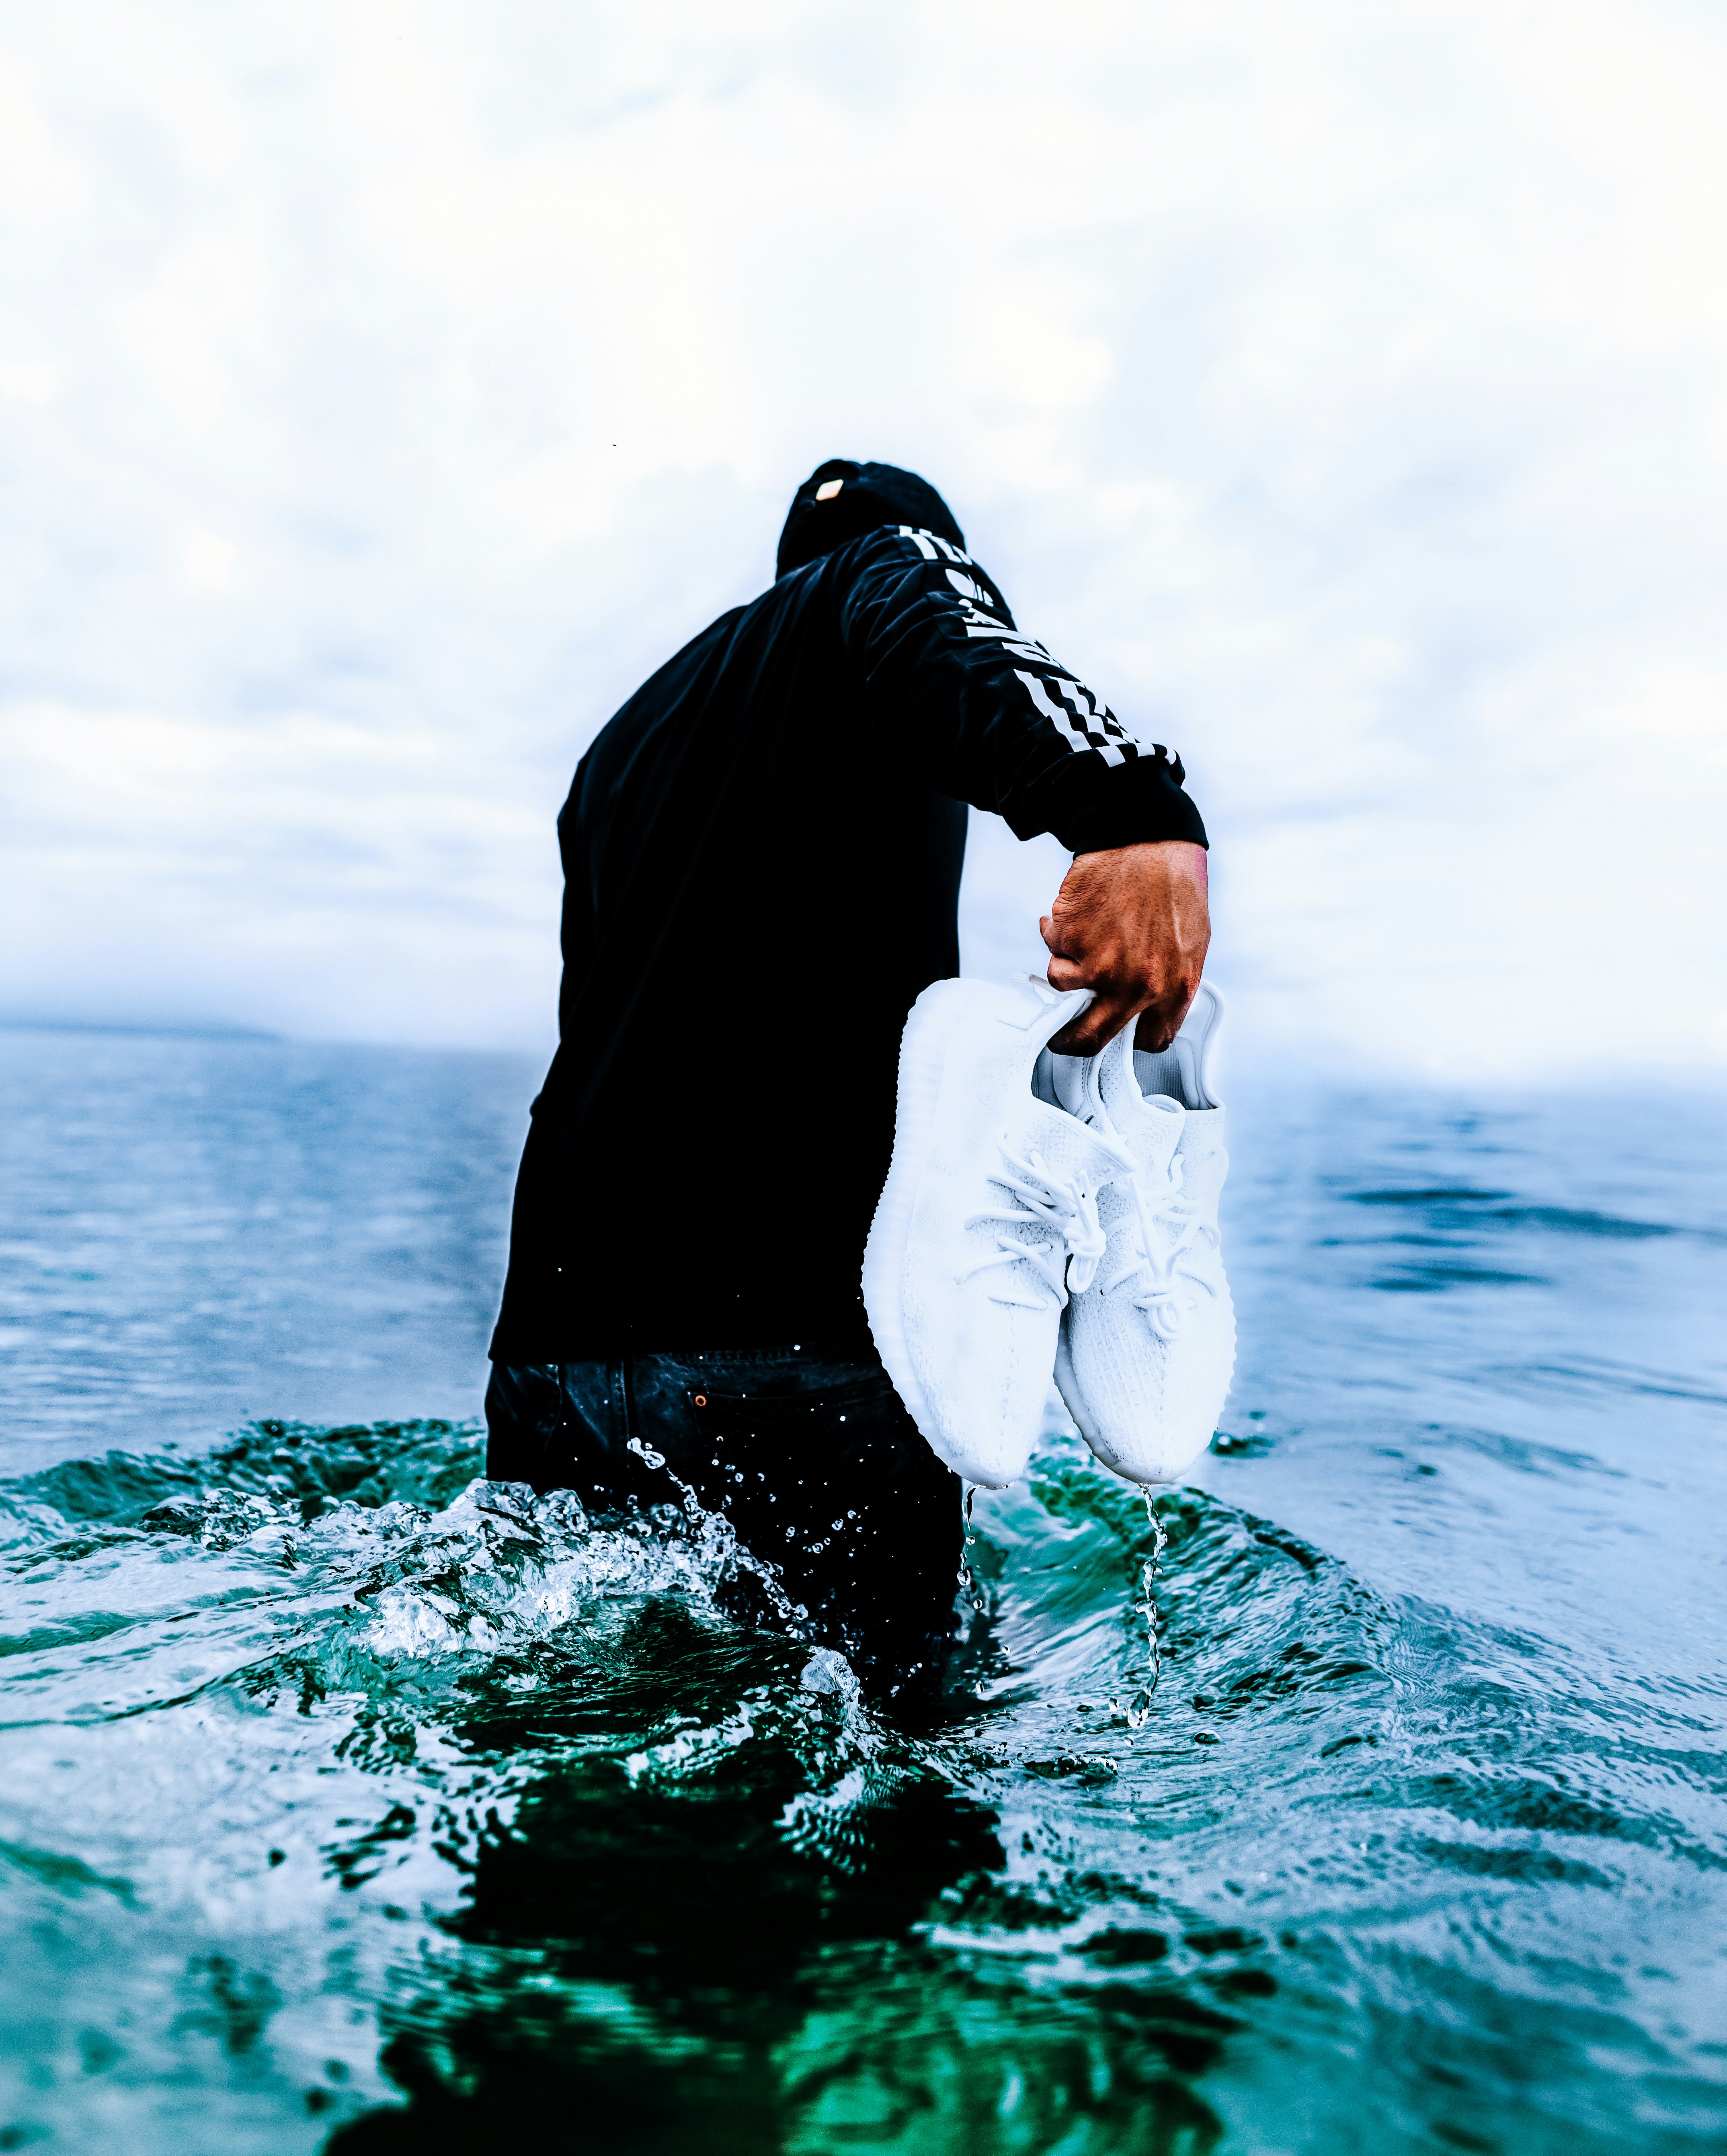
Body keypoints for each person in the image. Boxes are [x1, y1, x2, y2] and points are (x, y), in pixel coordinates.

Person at [485, 459, 1210, 1705]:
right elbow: (938, 629)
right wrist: (1132, 810)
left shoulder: (614, 754)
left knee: (570, 1733)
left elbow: (586, 1009)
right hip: (793, 1337)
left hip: (556, 1352)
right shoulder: (883, 576)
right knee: (891, 1762)